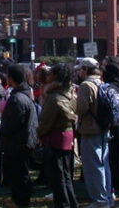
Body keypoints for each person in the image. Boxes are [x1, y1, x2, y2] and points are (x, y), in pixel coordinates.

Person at [0, 64, 39, 208]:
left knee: (18, 174)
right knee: (19, 172)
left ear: (11, 79)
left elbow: (14, 123)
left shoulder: (17, 99)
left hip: (18, 142)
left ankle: (20, 201)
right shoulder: (25, 95)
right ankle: (17, 198)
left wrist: (1, 130)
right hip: (23, 140)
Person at [38, 62, 78, 208]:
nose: (47, 76)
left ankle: (63, 204)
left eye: (50, 73)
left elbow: (46, 120)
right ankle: (71, 202)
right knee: (66, 174)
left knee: (57, 176)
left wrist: (39, 134)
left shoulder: (54, 97)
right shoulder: (70, 93)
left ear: (56, 76)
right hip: (67, 136)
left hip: (55, 138)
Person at [76, 57, 113, 208]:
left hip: (90, 130)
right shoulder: (102, 83)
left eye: (80, 69)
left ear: (85, 70)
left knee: (93, 166)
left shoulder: (86, 85)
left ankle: (99, 200)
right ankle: (107, 197)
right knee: (104, 165)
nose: (79, 72)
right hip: (104, 128)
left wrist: (74, 100)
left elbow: (81, 109)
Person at [102, 62, 119, 197]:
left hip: (115, 128)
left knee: (113, 158)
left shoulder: (112, 88)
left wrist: (108, 124)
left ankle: (116, 187)